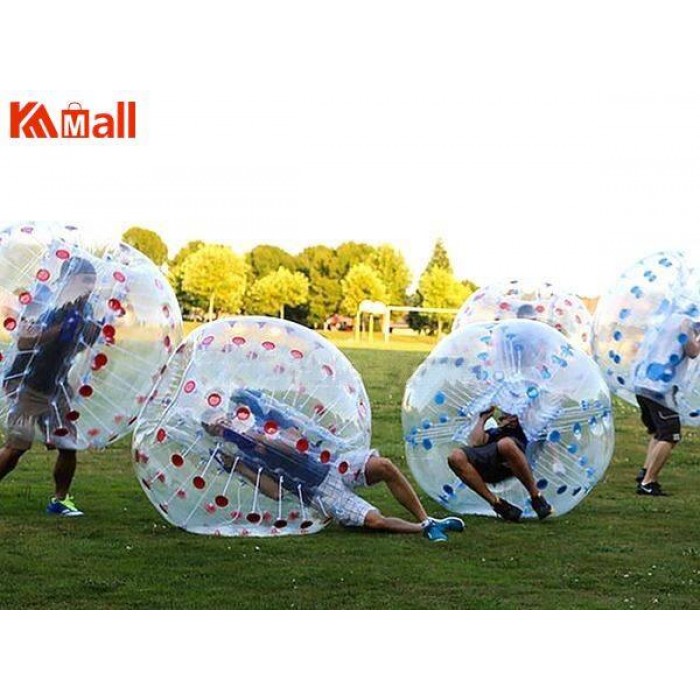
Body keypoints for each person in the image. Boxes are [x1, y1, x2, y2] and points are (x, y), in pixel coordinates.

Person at [201, 388, 465, 542]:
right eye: (217, 429)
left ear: (232, 415)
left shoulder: (265, 422)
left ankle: (425, 517)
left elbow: (299, 447)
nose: (224, 427)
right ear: (217, 435)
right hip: (320, 493)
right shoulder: (239, 456)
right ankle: (425, 528)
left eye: (224, 421)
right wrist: (240, 467)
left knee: (384, 466)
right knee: (374, 521)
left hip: (333, 464)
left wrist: (261, 438)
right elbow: (276, 492)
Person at [0, 257, 101, 516]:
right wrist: (59, 329)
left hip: (57, 390)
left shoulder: (86, 310)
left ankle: (60, 501)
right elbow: (24, 341)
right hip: (27, 386)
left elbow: (75, 349)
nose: (91, 286)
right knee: (16, 449)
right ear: (70, 279)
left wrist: (89, 334)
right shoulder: (46, 303)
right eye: (86, 280)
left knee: (68, 444)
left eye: (93, 281)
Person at [446, 407, 553, 522]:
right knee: (455, 457)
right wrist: (482, 419)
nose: (507, 415)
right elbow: (475, 443)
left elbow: (543, 426)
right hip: (493, 464)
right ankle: (498, 504)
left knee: (505, 444)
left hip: (521, 459)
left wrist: (522, 418)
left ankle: (537, 498)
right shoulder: (496, 432)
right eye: (506, 413)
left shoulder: (530, 429)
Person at [634, 316, 700, 496]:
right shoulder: (686, 322)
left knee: (659, 431)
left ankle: (645, 473)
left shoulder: (665, 316)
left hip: (643, 382)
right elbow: (692, 351)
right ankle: (648, 482)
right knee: (671, 435)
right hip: (660, 388)